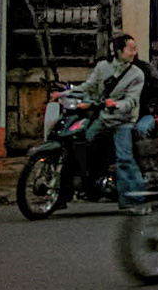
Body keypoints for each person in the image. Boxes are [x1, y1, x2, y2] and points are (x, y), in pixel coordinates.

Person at [61, 33, 146, 209]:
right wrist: (65, 93)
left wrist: (117, 104)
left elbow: (132, 101)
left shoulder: (137, 74)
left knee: (125, 159)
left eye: (134, 48)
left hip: (123, 120)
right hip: (102, 117)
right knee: (80, 142)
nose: (134, 52)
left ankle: (134, 201)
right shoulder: (102, 67)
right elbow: (89, 86)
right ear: (118, 50)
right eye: (130, 48)